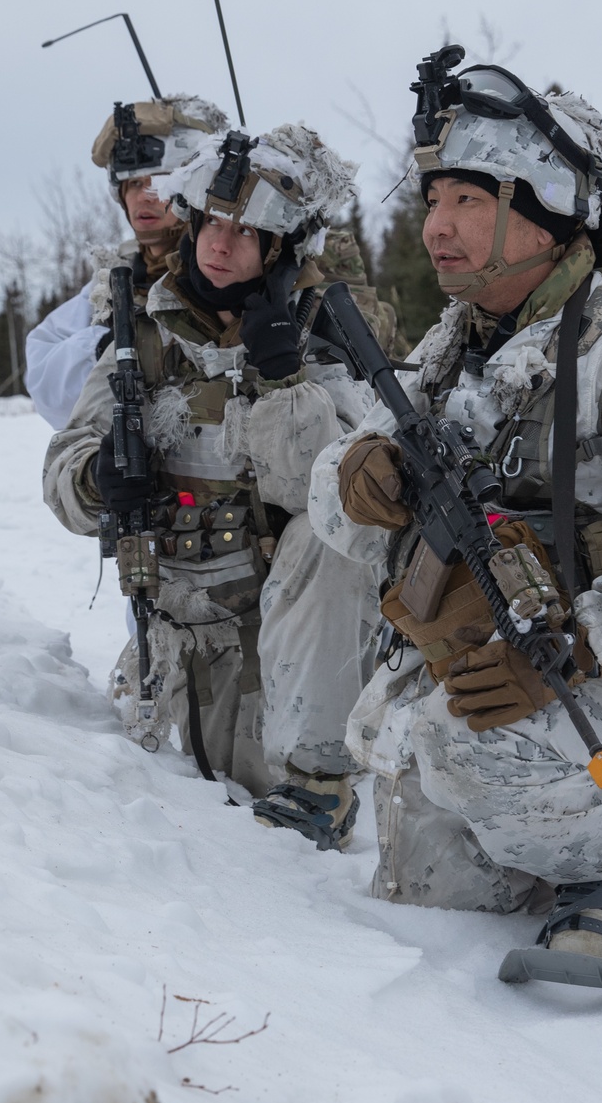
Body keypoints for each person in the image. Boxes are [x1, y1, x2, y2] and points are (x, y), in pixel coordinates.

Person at [308, 48, 602, 986]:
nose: (437, 228)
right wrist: (357, 477)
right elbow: (335, 501)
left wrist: (577, 648)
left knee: (469, 751)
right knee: (427, 887)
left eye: (470, 201)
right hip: (474, 668)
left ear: (545, 210)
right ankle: (539, 836)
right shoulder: (446, 352)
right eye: (434, 203)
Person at [43, 123, 383, 846]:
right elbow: (63, 472)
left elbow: (328, 498)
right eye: (212, 225)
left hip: (278, 643)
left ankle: (321, 783)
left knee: (273, 845)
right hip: (170, 640)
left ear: (278, 249)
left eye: (246, 232)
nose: (221, 245)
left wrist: (285, 381)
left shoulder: (321, 338)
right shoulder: (146, 335)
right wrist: (100, 478)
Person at [25, 96, 228, 429]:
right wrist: (105, 347)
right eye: (134, 183)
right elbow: (45, 380)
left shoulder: (229, 266)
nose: (144, 196)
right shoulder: (115, 277)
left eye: (159, 182)